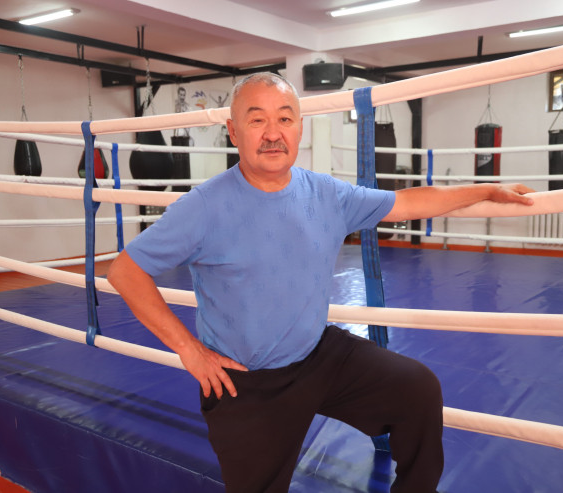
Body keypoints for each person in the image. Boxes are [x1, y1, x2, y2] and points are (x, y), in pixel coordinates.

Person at [107, 72, 535, 493]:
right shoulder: (204, 206)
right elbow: (125, 271)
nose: (272, 133)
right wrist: (190, 350)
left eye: (285, 118)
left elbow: (406, 203)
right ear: (233, 132)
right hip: (248, 382)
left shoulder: (327, 194)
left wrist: (484, 190)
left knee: (417, 389)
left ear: (300, 128)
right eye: (257, 120)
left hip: (319, 356)